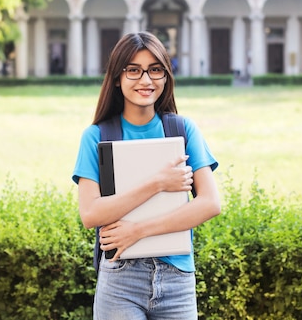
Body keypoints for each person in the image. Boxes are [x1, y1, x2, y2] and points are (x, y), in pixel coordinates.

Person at [72, 31, 221, 319]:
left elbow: (210, 203)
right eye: (134, 70)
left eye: (155, 70)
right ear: (117, 77)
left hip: (177, 276)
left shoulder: (182, 129)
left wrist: (138, 231)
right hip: (120, 279)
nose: (146, 80)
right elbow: (91, 214)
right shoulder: (97, 136)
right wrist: (158, 183)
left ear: (166, 76)